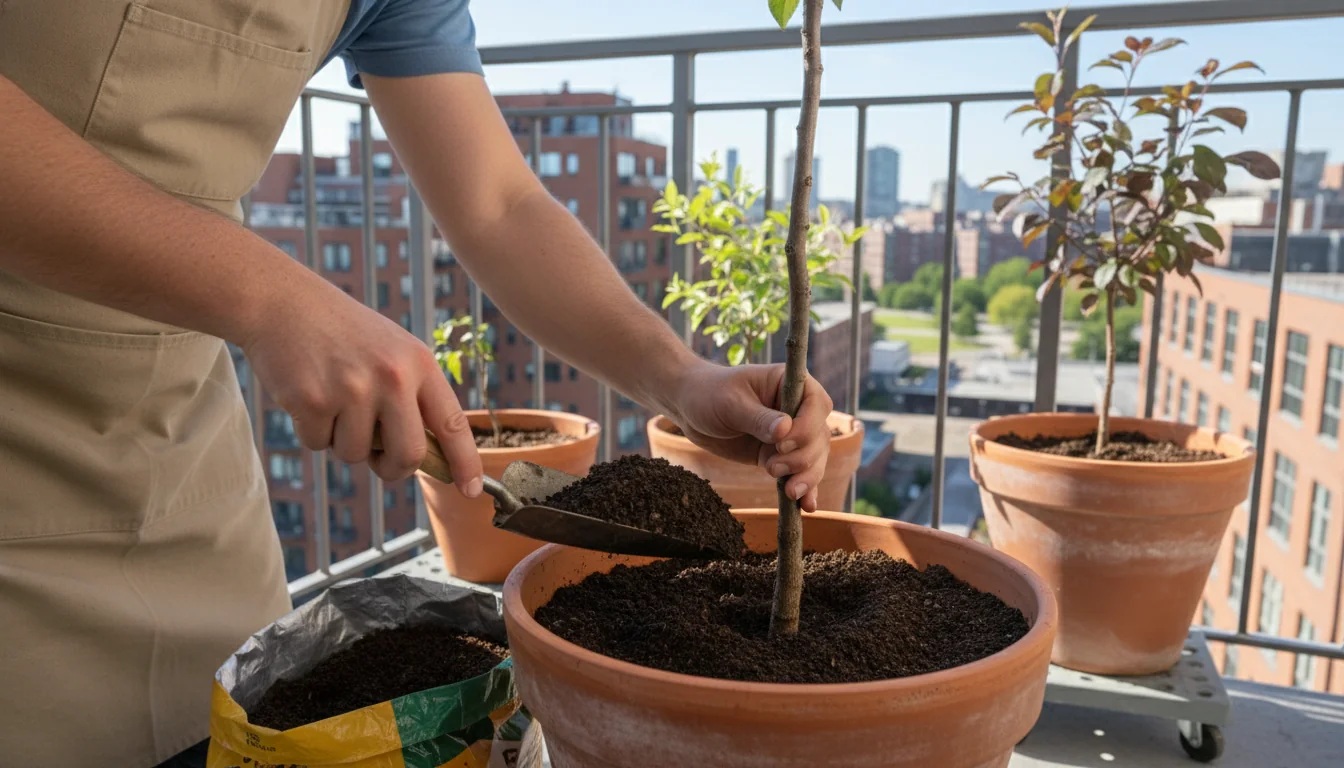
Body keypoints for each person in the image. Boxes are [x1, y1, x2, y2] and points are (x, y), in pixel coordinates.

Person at [0, 1, 836, 765]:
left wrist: (680, 379)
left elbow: (499, 206)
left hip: (173, 437)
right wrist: (268, 296)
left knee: (237, 726)